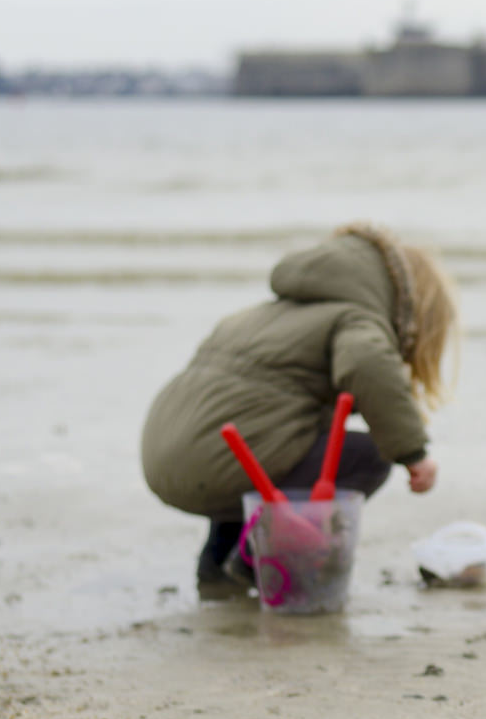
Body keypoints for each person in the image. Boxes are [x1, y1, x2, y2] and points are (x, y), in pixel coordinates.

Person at [141, 223, 456, 600]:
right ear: (401, 297)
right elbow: (366, 363)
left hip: (165, 455)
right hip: (219, 459)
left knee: (258, 440)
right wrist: (412, 453)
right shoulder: (351, 318)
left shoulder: (260, 315)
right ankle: (263, 558)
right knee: (368, 458)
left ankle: (217, 562)